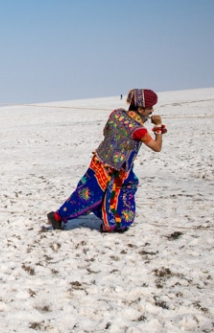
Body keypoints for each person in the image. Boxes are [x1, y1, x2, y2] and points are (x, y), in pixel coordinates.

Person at [48, 88, 167, 233]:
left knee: (88, 191)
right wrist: (158, 127)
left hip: (100, 160)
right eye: (150, 108)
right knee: (92, 195)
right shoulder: (138, 130)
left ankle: (105, 222)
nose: (152, 110)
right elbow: (157, 147)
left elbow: (105, 132)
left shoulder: (117, 114)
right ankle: (61, 217)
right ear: (141, 109)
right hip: (115, 170)